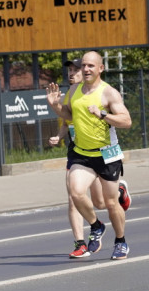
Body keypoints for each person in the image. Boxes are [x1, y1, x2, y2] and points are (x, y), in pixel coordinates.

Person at [46, 51, 133, 259]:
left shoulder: (109, 93)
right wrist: (55, 105)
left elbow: (127, 121)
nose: (85, 69)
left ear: (100, 69)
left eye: (90, 66)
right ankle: (96, 225)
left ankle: (120, 241)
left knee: (110, 204)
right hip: (82, 154)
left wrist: (103, 114)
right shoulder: (75, 89)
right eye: (83, 66)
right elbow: (68, 116)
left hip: (106, 154)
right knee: (75, 193)